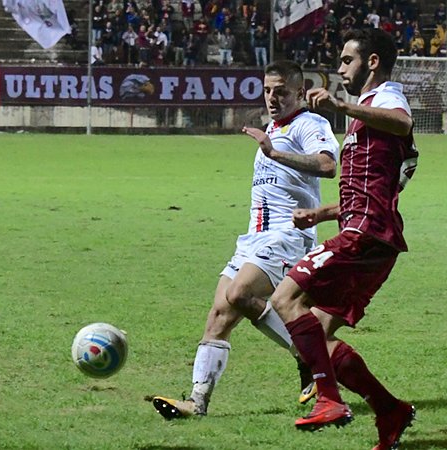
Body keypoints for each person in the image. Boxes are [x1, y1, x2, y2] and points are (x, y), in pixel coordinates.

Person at [149, 60, 339, 419]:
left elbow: (328, 166)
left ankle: (308, 354)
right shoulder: (272, 128)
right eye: (267, 90)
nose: (272, 97)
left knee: (240, 294)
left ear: (299, 91)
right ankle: (196, 403)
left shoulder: (310, 123)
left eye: (281, 91)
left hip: (288, 235)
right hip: (253, 239)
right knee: (219, 316)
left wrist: (274, 152)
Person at [269, 28, 418, 450]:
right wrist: (322, 213)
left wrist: (340, 104)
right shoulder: (364, 117)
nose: (339, 68)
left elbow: (403, 122)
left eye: (346, 60)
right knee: (316, 330)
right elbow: (376, 188)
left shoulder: (385, 97)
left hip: (365, 234)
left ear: (371, 62)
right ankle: (390, 409)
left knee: (284, 300)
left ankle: (330, 401)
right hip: (369, 232)